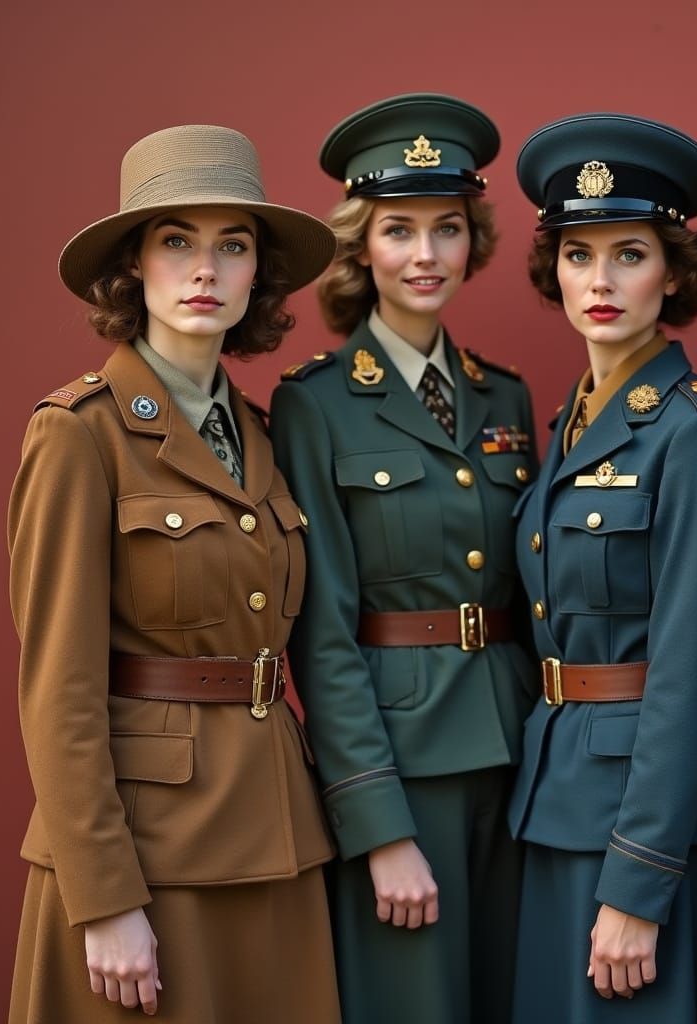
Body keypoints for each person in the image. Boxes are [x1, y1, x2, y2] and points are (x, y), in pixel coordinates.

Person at [7, 124, 340, 1023]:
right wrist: (104, 894)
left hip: (274, 839)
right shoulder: (80, 433)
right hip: (147, 857)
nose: (206, 269)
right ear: (133, 268)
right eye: (177, 241)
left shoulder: (267, 437)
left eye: (233, 246)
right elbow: (58, 689)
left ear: (257, 276)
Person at [269, 93, 539, 1024]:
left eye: (447, 229)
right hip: (400, 761)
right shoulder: (316, 405)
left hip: (515, 757)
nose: (425, 255)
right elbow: (323, 628)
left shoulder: (505, 396)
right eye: (399, 231)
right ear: (361, 247)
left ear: (474, 243)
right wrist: (376, 824)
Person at [508, 112, 697, 1022]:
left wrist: (640, 880)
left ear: (674, 270)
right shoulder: (569, 424)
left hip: (637, 828)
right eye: (579, 255)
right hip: (554, 802)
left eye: (630, 253)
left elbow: (693, 673)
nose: (601, 280)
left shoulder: (696, 432)